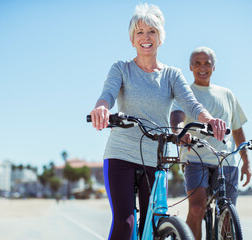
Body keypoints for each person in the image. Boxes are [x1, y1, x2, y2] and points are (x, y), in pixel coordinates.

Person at [90, 4, 227, 240]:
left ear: (160, 38)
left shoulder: (172, 75)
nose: (146, 37)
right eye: (140, 32)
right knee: (125, 223)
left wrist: (210, 119)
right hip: (121, 154)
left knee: (154, 223)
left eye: (151, 32)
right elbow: (107, 95)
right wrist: (101, 108)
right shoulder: (121, 69)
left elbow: (192, 104)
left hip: (155, 158)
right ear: (132, 39)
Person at [170, 46, 250, 240]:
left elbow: (237, 129)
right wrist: (180, 132)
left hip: (227, 161)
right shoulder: (186, 92)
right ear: (190, 67)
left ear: (214, 67)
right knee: (197, 209)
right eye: (197, 63)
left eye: (207, 63)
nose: (202, 67)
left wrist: (246, 162)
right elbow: (177, 117)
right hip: (195, 158)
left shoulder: (227, 94)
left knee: (226, 214)